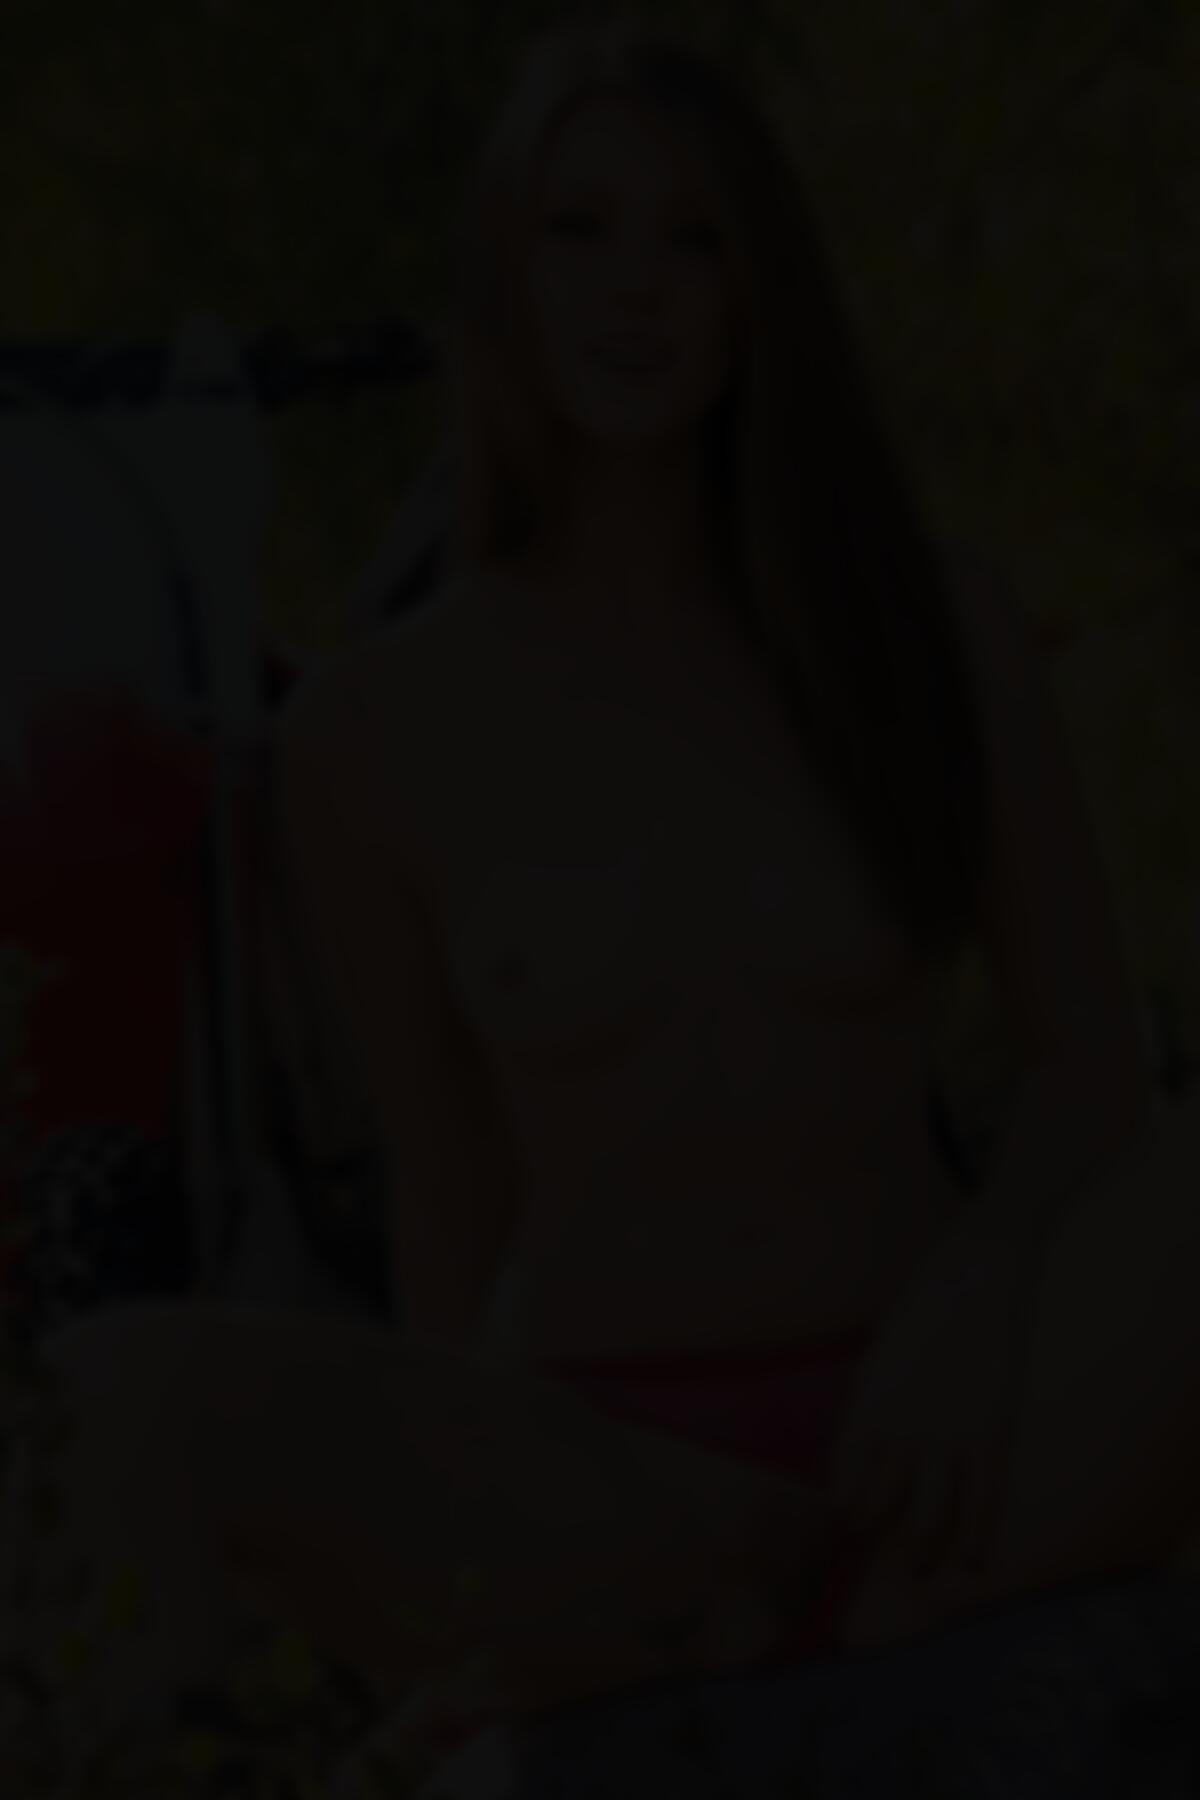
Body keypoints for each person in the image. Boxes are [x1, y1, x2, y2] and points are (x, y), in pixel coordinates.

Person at [23, 16, 1200, 1781]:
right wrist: (468, 1571)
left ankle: (854, 1606)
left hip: (950, 1428)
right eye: (577, 230)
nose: (632, 287)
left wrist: (975, 1296)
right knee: (107, 1398)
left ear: (755, 292)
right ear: (505, 277)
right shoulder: (369, 731)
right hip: (618, 1484)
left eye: (692, 237)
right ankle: (686, 1620)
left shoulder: (928, 626)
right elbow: (448, 1204)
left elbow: (1092, 1069)